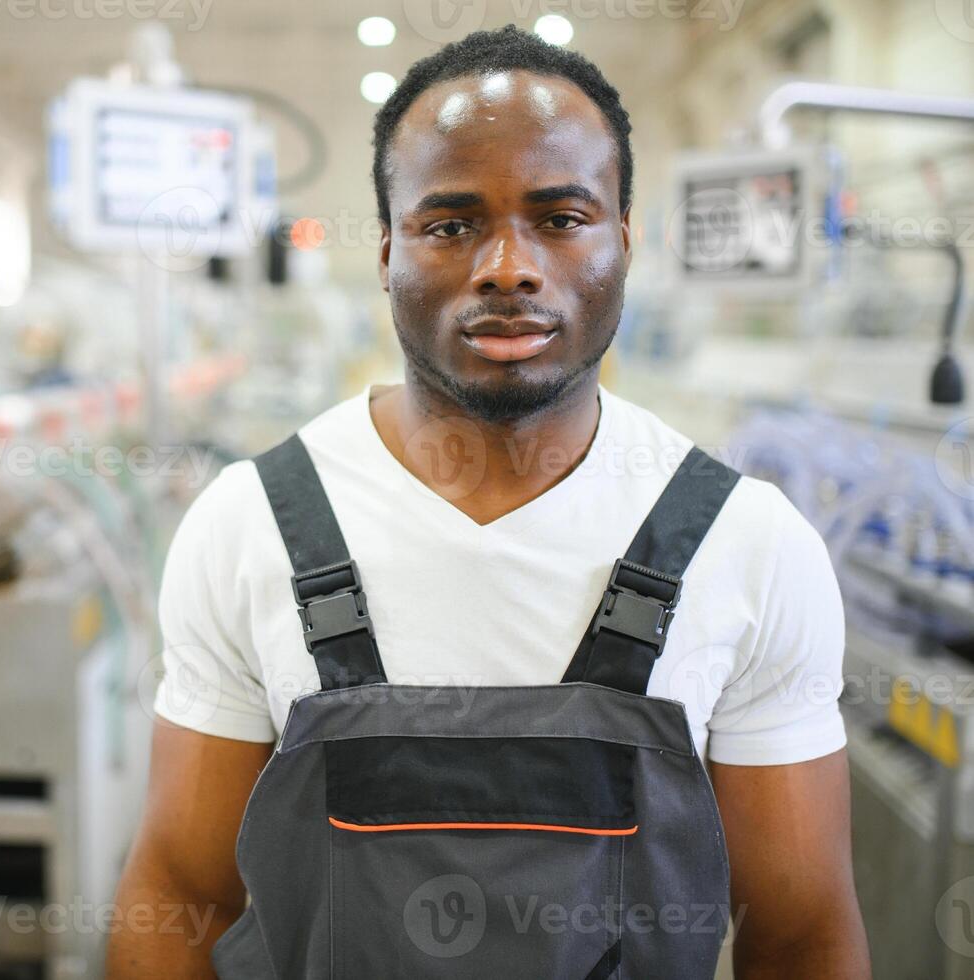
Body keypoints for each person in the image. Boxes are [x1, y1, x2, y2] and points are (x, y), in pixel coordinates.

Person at [108, 25, 870, 979]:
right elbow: (179, 892)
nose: (506, 265)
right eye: (450, 223)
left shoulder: (747, 547)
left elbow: (801, 937)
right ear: (387, 250)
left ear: (623, 240)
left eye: (559, 218)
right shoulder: (246, 527)